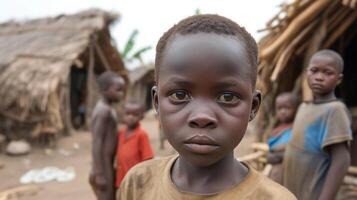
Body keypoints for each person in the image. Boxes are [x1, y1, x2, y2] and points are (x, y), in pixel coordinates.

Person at [118, 14, 296, 199]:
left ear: (253, 106)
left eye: (227, 97)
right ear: (156, 102)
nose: (202, 116)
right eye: (180, 95)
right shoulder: (138, 183)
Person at [283, 50, 353, 200]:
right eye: (314, 71)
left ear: (339, 79)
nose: (319, 77)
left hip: (313, 193)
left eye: (328, 73)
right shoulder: (304, 107)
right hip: (292, 190)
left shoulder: (335, 109)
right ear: (307, 72)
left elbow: (342, 159)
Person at [89, 71, 125, 200]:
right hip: (103, 166)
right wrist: (99, 174)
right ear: (105, 90)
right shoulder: (103, 111)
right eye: (118, 90)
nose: (121, 93)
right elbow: (97, 142)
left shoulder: (108, 109)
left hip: (108, 163)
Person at [115, 101, 154, 187]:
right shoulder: (121, 132)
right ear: (123, 114)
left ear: (141, 116)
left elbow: (148, 159)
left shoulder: (142, 135)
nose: (130, 117)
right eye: (127, 114)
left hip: (134, 182)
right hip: (121, 180)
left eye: (135, 115)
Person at [266, 92, 299, 183]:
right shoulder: (276, 129)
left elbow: (297, 150)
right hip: (275, 172)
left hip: (290, 172)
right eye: (279, 108)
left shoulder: (297, 129)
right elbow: (270, 149)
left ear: (296, 109)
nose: (282, 111)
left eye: (287, 108)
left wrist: (279, 156)